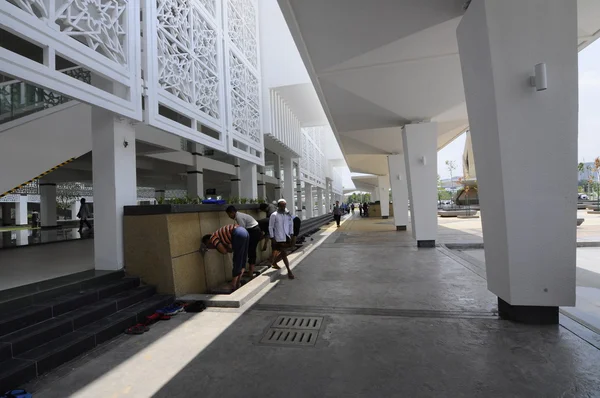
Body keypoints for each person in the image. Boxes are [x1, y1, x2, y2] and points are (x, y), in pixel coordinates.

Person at [201, 224, 249, 291]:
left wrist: (216, 247)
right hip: (244, 232)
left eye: (208, 246)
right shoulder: (220, 237)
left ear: (207, 241)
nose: (210, 248)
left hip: (238, 233)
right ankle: (238, 281)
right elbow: (230, 250)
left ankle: (233, 284)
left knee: (237, 259)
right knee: (242, 259)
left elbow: (224, 251)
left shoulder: (213, 238)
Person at [226, 206, 261, 277]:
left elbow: (242, 230)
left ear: (232, 212)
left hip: (254, 231)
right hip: (253, 230)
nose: (229, 216)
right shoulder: (239, 215)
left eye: (229, 214)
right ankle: (248, 270)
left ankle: (251, 271)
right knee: (249, 250)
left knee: (251, 250)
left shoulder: (239, 217)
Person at [269, 199, 295, 279]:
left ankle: (274, 261)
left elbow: (291, 224)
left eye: (284, 205)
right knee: (284, 253)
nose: (283, 207)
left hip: (286, 236)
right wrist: (272, 237)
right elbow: (271, 226)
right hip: (278, 237)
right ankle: (289, 271)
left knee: (283, 252)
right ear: (278, 206)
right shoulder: (274, 215)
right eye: (282, 205)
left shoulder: (287, 214)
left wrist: (291, 233)